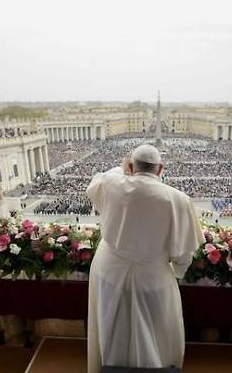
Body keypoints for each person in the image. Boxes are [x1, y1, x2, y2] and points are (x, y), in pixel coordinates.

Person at [86, 144, 203, 373]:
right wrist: (176, 273)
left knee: (111, 327)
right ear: (161, 169)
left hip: (109, 271)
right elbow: (183, 255)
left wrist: (125, 168)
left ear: (130, 166)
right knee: (156, 332)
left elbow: (100, 179)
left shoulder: (113, 183)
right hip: (153, 276)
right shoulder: (178, 199)